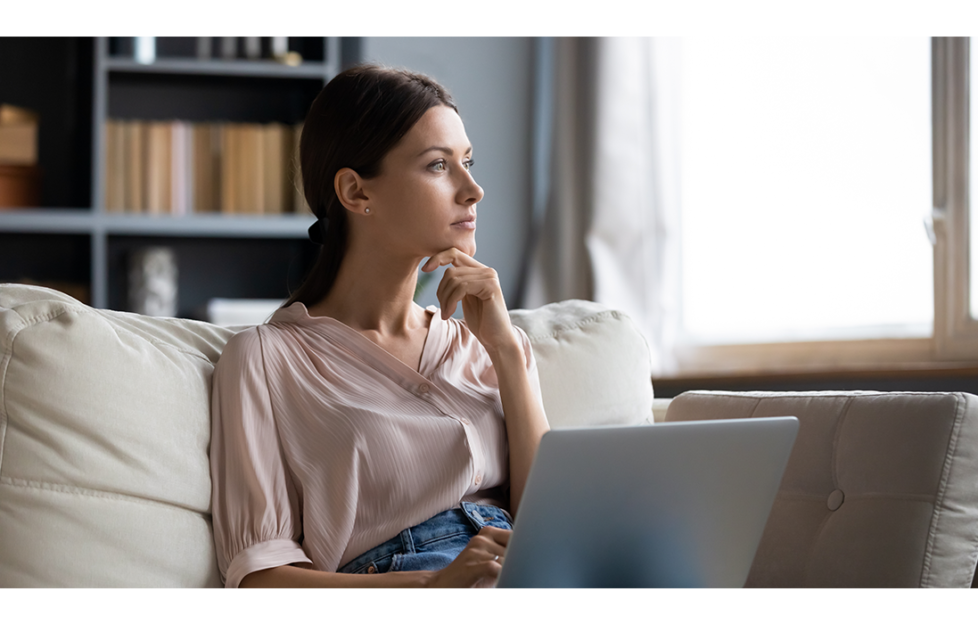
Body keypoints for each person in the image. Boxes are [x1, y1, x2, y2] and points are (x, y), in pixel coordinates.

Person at [209, 64, 550, 589]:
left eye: (468, 162)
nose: (473, 189)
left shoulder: (486, 344)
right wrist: (432, 586)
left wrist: (507, 353)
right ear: (355, 192)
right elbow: (263, 576)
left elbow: (551, 526)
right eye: (439, 166)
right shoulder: (265, 359)